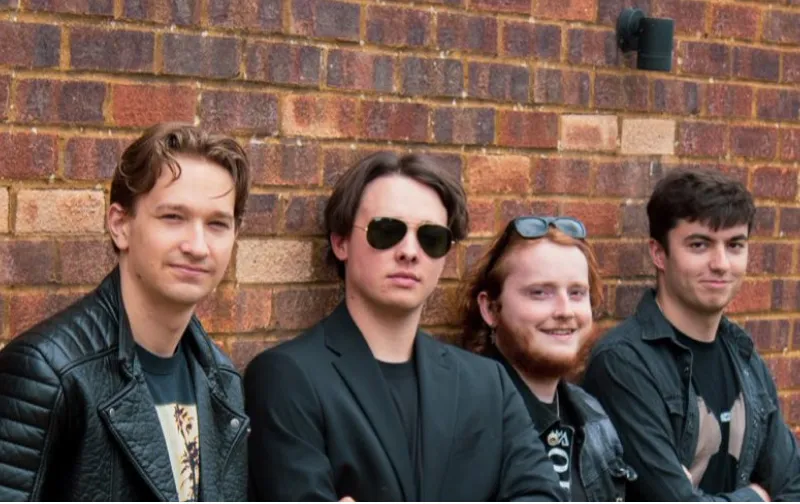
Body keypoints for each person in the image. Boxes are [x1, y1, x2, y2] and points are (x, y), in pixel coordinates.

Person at [245, 152, 566, 501]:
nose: (410, 251)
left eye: (431, 238)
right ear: (341, 242)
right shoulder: (286, 378)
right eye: (387, 231)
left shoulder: (488, 384)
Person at [0, 123, 251, 501]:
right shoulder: (48, 374)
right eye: (173, 217)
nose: (198, 246)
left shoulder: (223, 381)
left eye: (217, 224)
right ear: (120, 225)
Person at [584, 169, 800, 501]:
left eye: (735, 245)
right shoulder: (623, 362)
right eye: (699, 245)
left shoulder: (744, 356)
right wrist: (757, 497)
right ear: (659, 254)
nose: (721, 263)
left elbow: (793, 484)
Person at [459, 215, 637, 501]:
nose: (565, 310)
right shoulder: (467, 419)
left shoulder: (594, 418)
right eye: (540, 293)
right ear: (491, 309)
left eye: (577, 293)